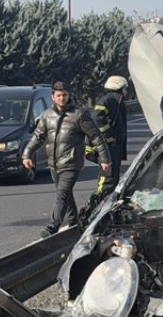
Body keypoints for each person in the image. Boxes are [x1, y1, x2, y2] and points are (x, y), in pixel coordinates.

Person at [22, 81, 111, 238]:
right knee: (65, 194)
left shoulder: (79, 114)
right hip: (54, 163)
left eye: (65, 95)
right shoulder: (47, 115)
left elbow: (96, 137)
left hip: (72, 163)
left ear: (69, 96)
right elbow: (38, 137)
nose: (62, 98)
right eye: (59, 95)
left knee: (62, 193)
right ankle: (74, 222)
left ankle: (52, 226)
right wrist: (27, 154)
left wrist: (105, 159)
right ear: (53, 97)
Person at [89, 75, 129, 195]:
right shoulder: (108, 100)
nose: (126, 91)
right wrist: (108, 135)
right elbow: (96, 117)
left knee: (113, 176)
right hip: (109, 145)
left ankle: (108, 198)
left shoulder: (116, 101)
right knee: (108, 176)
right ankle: (100, 199)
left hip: (114, 145)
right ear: (118, 87)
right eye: (125, 88)